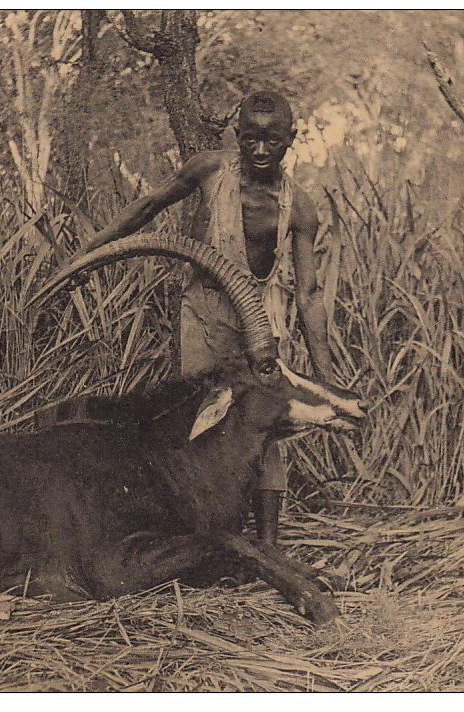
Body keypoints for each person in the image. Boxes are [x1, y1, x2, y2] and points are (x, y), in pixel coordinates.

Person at [82, 90, 335, 548]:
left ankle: (267, 546)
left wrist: (323, 376)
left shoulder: (300, 207)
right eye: (251, 139)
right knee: (199, 417)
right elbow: (148, 206)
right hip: (204, 310)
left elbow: (310, 294)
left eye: (272, 141)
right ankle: (201, 536)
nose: (260, 151)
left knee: (264, 416)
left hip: (262, 319)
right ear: (236, 135)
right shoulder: (209, 170)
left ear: (291, 139)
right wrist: (90, 252)